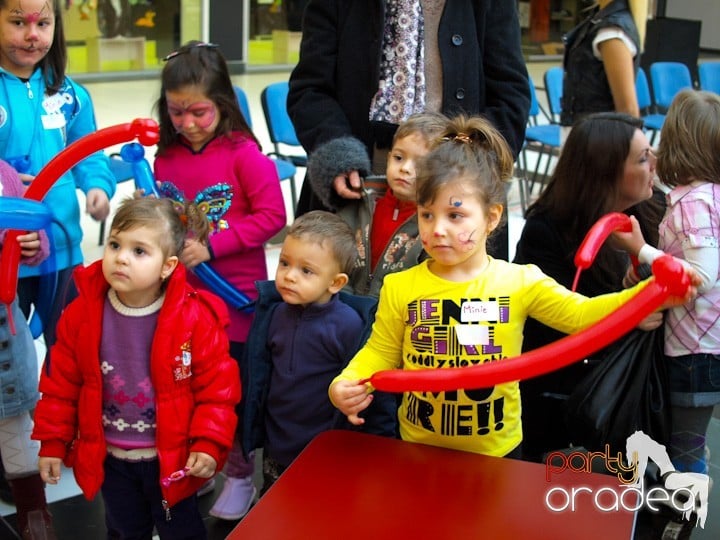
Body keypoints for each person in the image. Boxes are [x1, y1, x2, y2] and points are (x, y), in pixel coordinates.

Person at [328, 115, 697, 458]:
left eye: (455, 215)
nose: (437, 228)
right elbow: (380, 351)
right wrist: (348, 380)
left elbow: (583, 315)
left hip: (498, 452)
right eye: (427, 214)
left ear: (491, 218)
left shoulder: (519, 282)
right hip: (419, 448)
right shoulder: (400, 286)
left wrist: (650, 294)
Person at [31, 197, 241, 540]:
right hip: (111, 459)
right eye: (115, 244)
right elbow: (60, 386)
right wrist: (53, 443)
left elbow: (217, 390)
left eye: (139, 251)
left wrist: (207, 442)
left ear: (168, 265)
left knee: (180, 530)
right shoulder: (81, 315)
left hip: (171, 461)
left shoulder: (196, 319)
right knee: (126, 530)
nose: (121, 257)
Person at [153, 40, 286, 520]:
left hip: (236, 308)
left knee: (230, 391)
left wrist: (212, 246)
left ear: (223, 104)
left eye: (199, 113)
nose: (186, 124)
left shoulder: (243, 153)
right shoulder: (165, 156)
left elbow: (274, 214)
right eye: (175, 112)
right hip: (183, 301)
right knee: (187, 385)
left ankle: (239, 472)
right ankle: (201, 462)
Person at [287, 0, 530, 261]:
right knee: (345, 294)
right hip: (359, 181)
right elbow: (310, 89)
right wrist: (337, 154)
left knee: (449, 297)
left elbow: (510, 96)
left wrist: (469, 164)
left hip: (455, 184)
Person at [512, 112, 665, 462]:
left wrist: (641, 260)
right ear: (605, 171)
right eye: (642, 158)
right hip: (570, 401)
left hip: (636, 387)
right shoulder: (548, 230)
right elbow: (549, 323)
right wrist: (626, 308)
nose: (654, 164)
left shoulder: (653, 208)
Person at [242, 211, 397, 493]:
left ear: (336, 282)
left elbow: (371, 389)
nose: (289, 276)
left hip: (324, 450)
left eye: (306, 271)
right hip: (277, 447)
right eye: (284, 263)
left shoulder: (348, 326)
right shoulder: (273, 314)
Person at [0, 0, 116, 352]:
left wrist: (97, 186)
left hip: (64, 252)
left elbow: (89, 152)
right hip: (7, 254)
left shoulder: (71, 95)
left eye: (43, 24)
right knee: (10, 361)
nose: (32, 35)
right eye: (18, 22)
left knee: (70, 348)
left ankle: (60, 409)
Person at [618, 89, 720, 477]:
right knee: (689, 442)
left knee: (686, 448)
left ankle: (682, 516)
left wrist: (641, 250)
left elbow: (701, 276)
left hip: (696, 351)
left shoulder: (695, 202)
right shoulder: (707, 196)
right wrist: (647, 270)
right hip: (701, 345)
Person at [307, 111, 447, 296]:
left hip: (396, 316)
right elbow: (332, 257)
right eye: (399, 157)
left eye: (420, 165)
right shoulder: (359, 200)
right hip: (343, 306)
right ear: (388, 157)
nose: (405, 168)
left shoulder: (438, 225)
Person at [0, 159, 54, 539]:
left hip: (6, 335)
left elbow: (37, 241)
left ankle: (34, 516)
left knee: (15, 427)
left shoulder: (4, 174)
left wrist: (33, 243)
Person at [561, 0, 648, 125]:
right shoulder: (598, 20)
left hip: (594, 137)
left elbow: (628, 111)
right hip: (582, 133)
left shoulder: (612, 32)